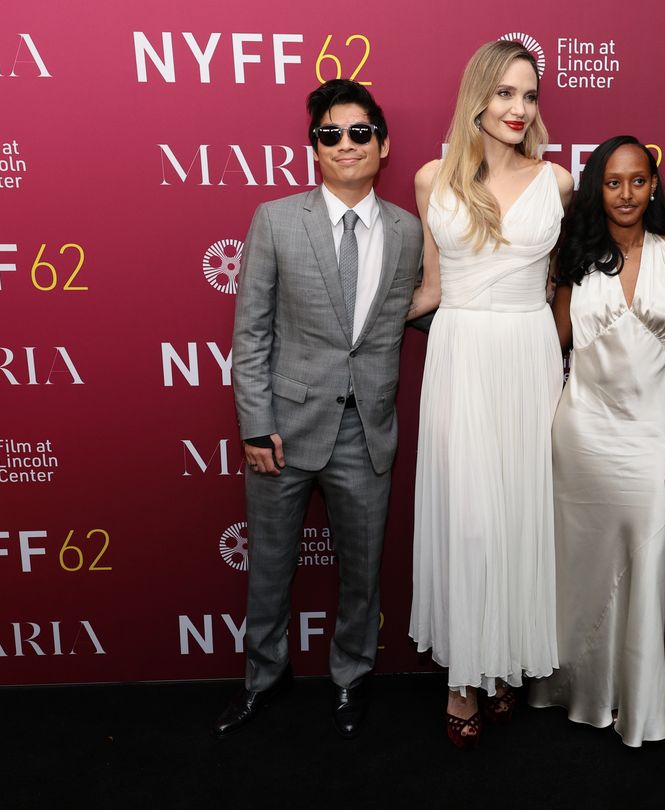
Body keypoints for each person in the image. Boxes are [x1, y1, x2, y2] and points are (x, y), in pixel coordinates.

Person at [216, 80, 423, 740]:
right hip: (281, 429)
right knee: (269, 568)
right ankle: (263, 679)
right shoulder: (276, 219)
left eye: (359, 132)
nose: (345, 145)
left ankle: (350, 679)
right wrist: (255, 422)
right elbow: (250, 332)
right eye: (330, 135)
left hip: (367, 431)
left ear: (383, 145)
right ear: (313, 148)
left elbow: (415, 313)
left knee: (362, 576)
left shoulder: (409, 232)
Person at [407, 39, 574, 749]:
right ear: (477, 96)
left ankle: (503, 663)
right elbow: (432, 289)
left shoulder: (560, 181)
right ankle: (462, 676)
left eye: (529, 95)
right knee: (469, 516)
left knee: (518, 512)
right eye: (505, 93)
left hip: (530, 354)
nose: (518, 108)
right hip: (462, 351)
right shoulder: (429, 180)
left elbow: (556, 286)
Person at [528, 137, 665, 747]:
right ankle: (568, 687)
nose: (626, 194)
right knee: (578, 569)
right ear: (597, 188)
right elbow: (554, 348)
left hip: (653, 438)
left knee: (647, 568)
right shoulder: (577, 259)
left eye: (638, 181)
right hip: (582, 437)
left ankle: (638, 704)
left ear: (654, 186)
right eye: (613, 182)